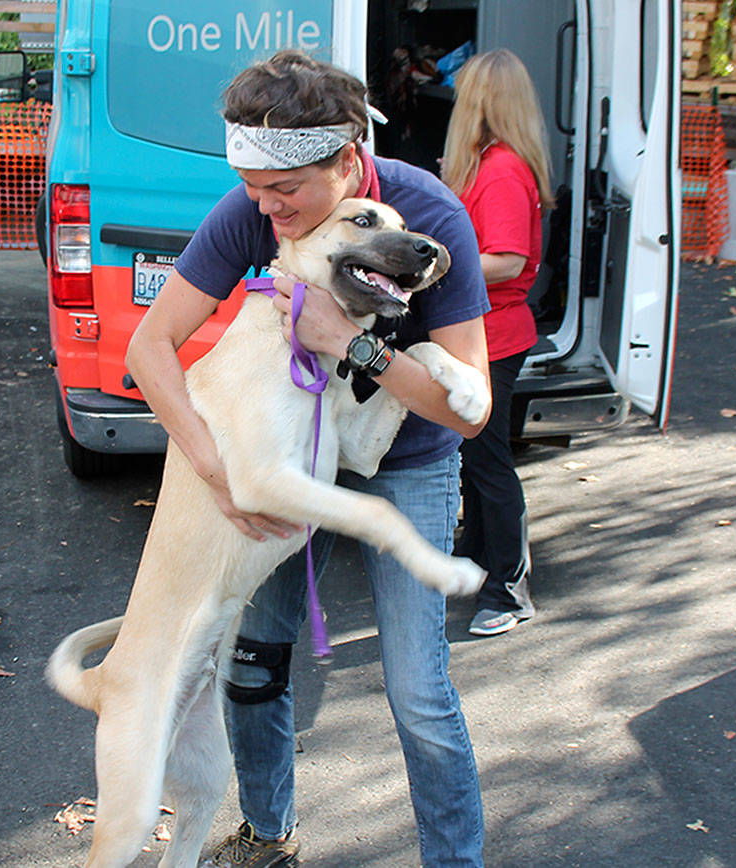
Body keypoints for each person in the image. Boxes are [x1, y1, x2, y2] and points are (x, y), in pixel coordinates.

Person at [124, 51, 491, 867]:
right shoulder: (255, 209)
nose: (266, 208)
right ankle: (266, 829)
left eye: (284, 191)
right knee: (254, 659)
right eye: (253, 188)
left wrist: (350, 343)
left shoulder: (430, 215)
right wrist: (213, 465)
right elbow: (150, 348)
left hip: (410, 445)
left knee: (420, 693)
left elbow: (472, 410)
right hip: (293, 453)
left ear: (348, 160)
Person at [440, 49, 554, 637]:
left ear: (480, 100)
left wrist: (435, 264)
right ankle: (486, 562)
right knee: (477, 458)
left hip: (496, 334)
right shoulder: (491, 164)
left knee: (487, 461)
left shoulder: (503, 169)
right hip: (485, 331)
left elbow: (508, 261)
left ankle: (508, 590)